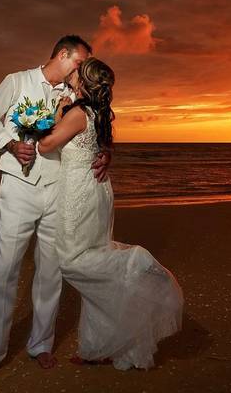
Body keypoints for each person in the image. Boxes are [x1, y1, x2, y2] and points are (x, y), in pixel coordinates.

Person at [0, 36, 112, 385]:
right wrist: (11, 143)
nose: (82, 70)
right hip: (19, 188)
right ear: (63, 54)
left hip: (60, 189)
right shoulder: (16, 81)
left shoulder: (75, 95)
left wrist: (105, 152)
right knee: (4, 269)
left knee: (51, 270)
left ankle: (41, 343)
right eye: (79, 63)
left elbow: (93, 126)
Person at [37, 57, 183, 370]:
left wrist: (57, 112)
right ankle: (98, 347)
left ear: (84, 82)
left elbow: (45, 145)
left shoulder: (76, 113)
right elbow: (99, 147)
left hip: (79, 191)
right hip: (97, 190)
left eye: (77, 72)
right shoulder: (98, 112)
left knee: (72, 260)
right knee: (93, 254)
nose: (72, 74)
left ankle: (132, 261)